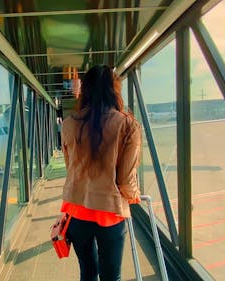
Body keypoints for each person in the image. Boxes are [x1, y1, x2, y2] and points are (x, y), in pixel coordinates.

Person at [60, 65, 142, 281]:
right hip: (110, 214)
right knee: (111, 276)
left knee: (87, 272)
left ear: (85, 90)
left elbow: (71, 169)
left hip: (77, 211)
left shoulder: (68, 124)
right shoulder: (128, 124)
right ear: (114, 90)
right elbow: (126, 181)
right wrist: (133, 195)